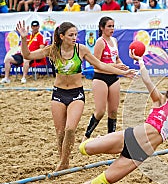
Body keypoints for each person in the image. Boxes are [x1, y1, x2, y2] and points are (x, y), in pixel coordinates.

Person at [15, 20, 136, 171]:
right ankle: (63, 161)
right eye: (71, 35)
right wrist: (24, 38)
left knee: (70, 129)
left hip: (76, 93)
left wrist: (123, 72)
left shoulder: (81, 49)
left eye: (76, 34)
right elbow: (27, 55)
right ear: (62, 36)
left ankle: (64, 162)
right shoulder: (53, 50)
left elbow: (100, 65)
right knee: (59, 133)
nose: (74, 37)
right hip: (58, 93)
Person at [83, 17, 128, 140]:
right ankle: (86, 135)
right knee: (100, 111)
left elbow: (117, 58)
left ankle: (110, 138)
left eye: (113, 26)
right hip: (101, 77)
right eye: (109, 26)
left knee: (113, 111)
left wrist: (123, 67)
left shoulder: (114, 40)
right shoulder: (100, 42)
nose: (112, 29)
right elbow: (96, 64)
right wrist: (116, 66)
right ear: (102, 28)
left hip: (113, 77)